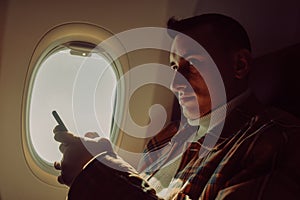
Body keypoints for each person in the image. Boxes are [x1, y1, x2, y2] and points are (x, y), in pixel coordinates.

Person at [53, 13, 300, 199]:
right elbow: (144, 192)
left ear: (240, 66)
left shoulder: (278, 139)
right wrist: (106, 159)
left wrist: (93, 172)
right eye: (173, 67)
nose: (174, 83)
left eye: (190, 64)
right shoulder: (168, 136)